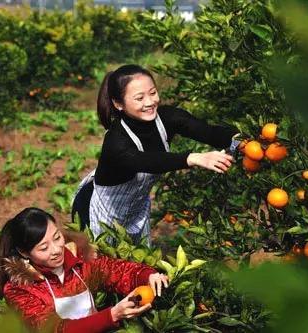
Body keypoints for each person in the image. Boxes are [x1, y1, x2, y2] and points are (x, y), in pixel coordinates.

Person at [72, 64, 241, 243]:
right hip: (99, 212)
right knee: (101, 268)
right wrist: (192, 158)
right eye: (139, 98)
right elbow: (144, 161)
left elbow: (208, 132)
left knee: (140, 267)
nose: (150, 102)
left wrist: (241, 139)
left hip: (137, 210)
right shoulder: (116, 141)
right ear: (118, 104)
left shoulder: (168, 118)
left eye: (152, 93)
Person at [0, 207, 168, 333]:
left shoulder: (80, 263)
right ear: (24, 253)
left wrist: (148, 276)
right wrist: (112, 315)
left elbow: (118, 271)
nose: (56, 250)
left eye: (57, 238)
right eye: (44, 247)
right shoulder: (20, 288)